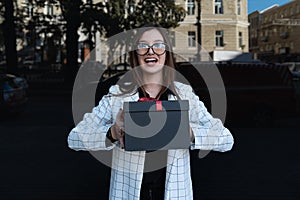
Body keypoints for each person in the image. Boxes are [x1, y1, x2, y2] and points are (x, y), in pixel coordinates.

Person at [68, 25, 234, 200]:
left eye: (158, 45)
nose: (151, 51)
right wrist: (113, 133)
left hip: (174, 194)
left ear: (167, 53)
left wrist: (189, 132)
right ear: (135, 54)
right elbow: (74, 138)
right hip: (128, 195)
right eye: (143, 46)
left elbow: (226, 140)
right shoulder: (117, 95)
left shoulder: (185, 95)